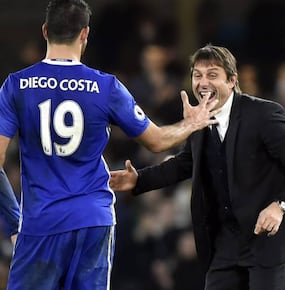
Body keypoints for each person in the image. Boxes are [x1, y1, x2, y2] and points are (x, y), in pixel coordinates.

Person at [0, 1, 219, 289]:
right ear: (84, 34)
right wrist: (191, 123)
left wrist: (14, 221)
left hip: (42, 224)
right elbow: (156, 141)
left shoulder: (16, 86)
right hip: (94, 219)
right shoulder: (106, 87)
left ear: (44, 31)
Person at [109, 44, 285, 290]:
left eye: (212, 75)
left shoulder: (263, 114)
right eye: (198, 75)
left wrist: (280, 206)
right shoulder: (199, 120)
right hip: (225, 244)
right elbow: (186, 163)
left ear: (232, 81)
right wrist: (139, 180)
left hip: (268, 243)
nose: (203, 82)